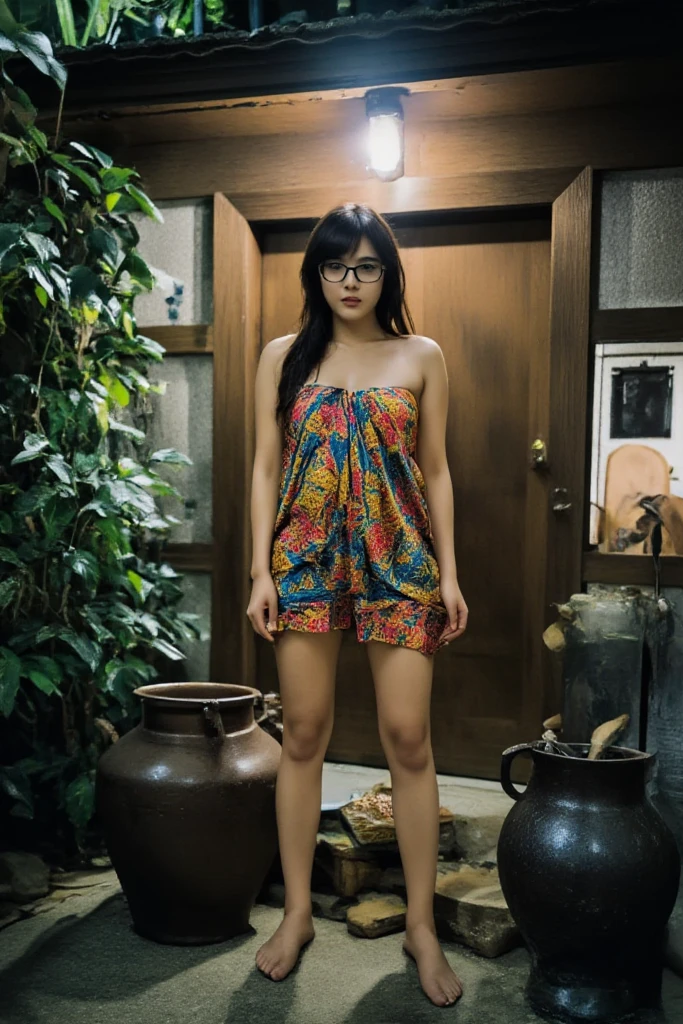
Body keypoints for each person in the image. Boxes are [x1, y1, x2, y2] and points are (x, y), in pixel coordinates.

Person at [247, 202, 468, 1007]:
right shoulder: (283, 356)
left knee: (408, 738)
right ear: (317, 272)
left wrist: (448, 572)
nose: (350, 280)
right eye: (337, 265)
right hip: (302, 559)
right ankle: (299, 911)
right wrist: (258, 570)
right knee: (303, 733)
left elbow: (436, 470)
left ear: (387, 275)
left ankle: (420, 925)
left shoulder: (421, 355)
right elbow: (265, 468)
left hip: (400, 557)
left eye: (367, 266)